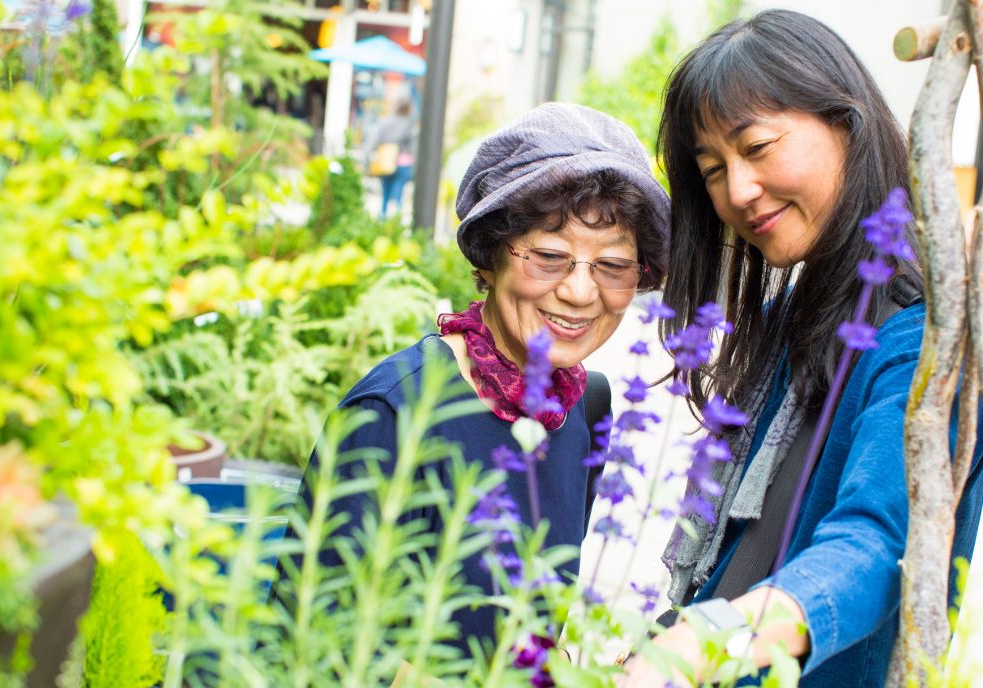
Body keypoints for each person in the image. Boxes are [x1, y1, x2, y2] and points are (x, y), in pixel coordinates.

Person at [616, 9, 983, 687]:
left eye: (755, 148)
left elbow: (876, 546)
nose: (738, 191)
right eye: (713, 170)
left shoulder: (921, 330)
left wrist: (710, 641)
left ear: (846, 124)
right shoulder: (797, 309)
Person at [282, 103, 670, 652]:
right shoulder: (393, 414)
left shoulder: (584, 406)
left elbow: (534, 631)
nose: (582, 293)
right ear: (489, 257)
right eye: (549, 256)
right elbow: (310, 655)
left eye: (612, 266)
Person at [367, 100, 417, 219]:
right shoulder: (409, 125)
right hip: (403, 163)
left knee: (385, 194)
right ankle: (396, 221)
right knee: (398, 194)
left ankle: (383, 219)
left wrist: (367, 160)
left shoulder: (385, 123)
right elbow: (413, 147)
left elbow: (374, 140)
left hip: (386, 161)